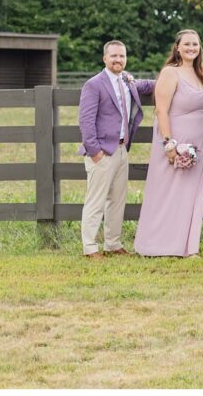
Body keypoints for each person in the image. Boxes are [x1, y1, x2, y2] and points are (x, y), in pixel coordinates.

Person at [135, 30, 203, 257]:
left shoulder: (200, 73)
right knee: (168, 193)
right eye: (187, 44)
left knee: (190, 195)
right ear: (178, 47)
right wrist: (169, 144)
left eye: (195, 44)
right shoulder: (170, 73)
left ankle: (186, 247)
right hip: (176, 143)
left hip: (199, 147)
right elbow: (161, 110)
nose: (192, 48)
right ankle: (156, 245)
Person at [77, 40, 155, 259]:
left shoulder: (127, 81)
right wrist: (95, 151)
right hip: (101, 151)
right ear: (105, 58)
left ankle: (113, 244)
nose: (118, 59)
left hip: (122, 150)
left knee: (117, 200)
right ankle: (90, 247)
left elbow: (148, 85)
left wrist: (173, 79)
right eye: (113, 56)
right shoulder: (94, 84)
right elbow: (86, 121)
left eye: (121, 56)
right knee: (96, 201)